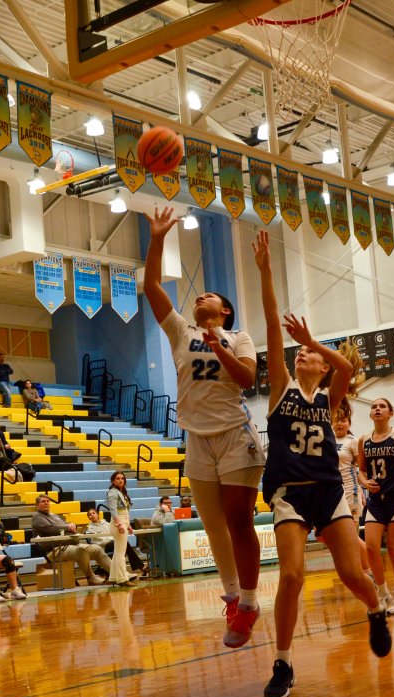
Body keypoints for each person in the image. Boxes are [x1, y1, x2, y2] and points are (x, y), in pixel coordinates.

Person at [253, 228, 391, 697]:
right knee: (292, 575)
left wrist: (313, 338)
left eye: (311, 353)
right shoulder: (281, 389)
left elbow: (347, 371)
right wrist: (265, 271)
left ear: (321, 366)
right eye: (302, 352)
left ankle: (375, 609)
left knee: (352, 574)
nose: (304, 354)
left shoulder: (329, 398)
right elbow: (273, 327)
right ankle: (283, 662)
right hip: (290, 492)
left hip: (329, 492)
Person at [143, 207, 265, 646]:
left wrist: (220, 347)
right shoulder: (180, 330)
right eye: (197, 297)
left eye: (208, 296)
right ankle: (233, 598)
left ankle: (249, 602)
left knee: (239, 521)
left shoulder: (239, 336)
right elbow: (152, 286)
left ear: (225, 310)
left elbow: (247, 379)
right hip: (196, 437)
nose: (200, 298)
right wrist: (158, 238)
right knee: (213, 526)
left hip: (235, 434)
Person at [358, 398, 394, 614]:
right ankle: (383, 594)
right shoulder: (363, 441)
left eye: (382, 406)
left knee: (393, 548)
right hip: (376, 500)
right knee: (371, 547)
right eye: (374, 406)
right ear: (370, 414)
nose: (377, 409)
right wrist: (365, 483)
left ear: (390, 413)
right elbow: (361, 471)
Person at [31, 495, 111, 586]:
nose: (46, 503)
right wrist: (68, 527)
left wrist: (72, 526)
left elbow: (67, 526)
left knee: (97, 549)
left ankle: (117, 574)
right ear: (37, 505)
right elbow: (52, 529)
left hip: (70, 545)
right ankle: (91, 577)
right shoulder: (37, 517)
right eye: (43, 501)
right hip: (54, 550)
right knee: (80, 551)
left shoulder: (54, 515)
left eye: (48, 501)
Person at [333, 401, 370, 575]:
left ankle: (368, 572)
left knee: (352, 536)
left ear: (349, 423)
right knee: (341, 537)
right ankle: (357, 571)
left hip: (350, 492)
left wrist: (361, 491)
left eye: (343, 420)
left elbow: (362, 468)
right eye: (337, 420)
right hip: (333, 493)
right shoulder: (327, 440)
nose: (339, 423)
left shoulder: (353, 442)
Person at [85, 507, 147, 576]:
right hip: (104, 548)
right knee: (123, 544)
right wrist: (113, 539)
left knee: (124, 544)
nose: (92, 515)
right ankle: (139, 567)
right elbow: (97, 542)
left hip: (114, 543)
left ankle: (126, 571)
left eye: (93, 513)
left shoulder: (106, 524)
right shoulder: (90, 529)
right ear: (89, 518)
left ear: (98, 515)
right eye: (90, 515)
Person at [106, 472, 139, 588]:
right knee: (121, 553)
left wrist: (128, 524)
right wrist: (119, 524)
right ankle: (122, 579)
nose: (120, 480)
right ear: (113, 481)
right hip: (118, 524)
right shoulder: (113, 493)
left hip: (123, 522)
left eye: (122, 478)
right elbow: (113, 510)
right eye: (117, 478)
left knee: (117, 552)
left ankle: (114, 577)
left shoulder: (121, 492)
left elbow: (124, 511)